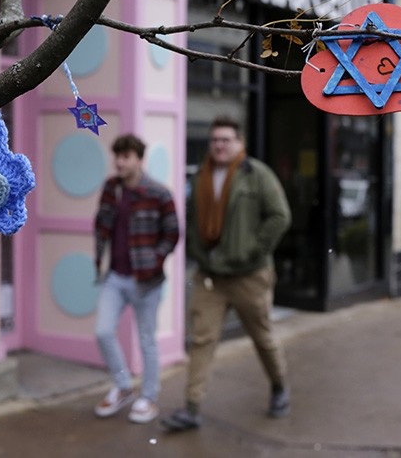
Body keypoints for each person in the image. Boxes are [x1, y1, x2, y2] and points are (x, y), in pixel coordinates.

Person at [161, 115, 292, 431]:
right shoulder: (200, 176)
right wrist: (197, 251)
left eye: (226, 140)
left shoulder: (256, 174)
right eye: (215, 140)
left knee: (263, 337)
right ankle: (191, 407)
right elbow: (192, 218)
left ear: (239, 143)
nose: (219, 145)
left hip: (250, 276)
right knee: (202, 340)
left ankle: (279, 385)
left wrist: (252, 250)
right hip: (211, 277)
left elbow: (280, 216)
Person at [93, 134, 180, 424]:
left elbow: (172, 233)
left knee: (146, 340)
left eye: (126, 157)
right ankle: (123, 386)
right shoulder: (111, 188)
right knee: (103, 331)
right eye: (117, 156)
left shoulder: (158, 193)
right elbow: (101, 224)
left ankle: (150, 397)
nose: (120, 162)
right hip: (115, 277)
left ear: (139, 160)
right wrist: (99, 257)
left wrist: (155, 260)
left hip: (146, 280)